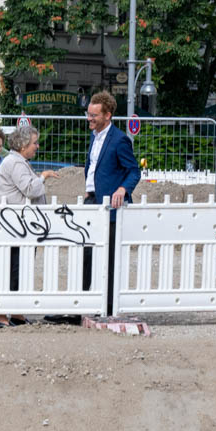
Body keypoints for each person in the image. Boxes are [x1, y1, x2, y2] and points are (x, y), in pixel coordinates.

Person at [0, 123, 50, 328]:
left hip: (18, 227)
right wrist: (44, 177)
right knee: (12, 268)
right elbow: (30, 189)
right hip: (12, 227)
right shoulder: (15, 163)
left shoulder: (18, 161)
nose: (37, 146)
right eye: (34, 143)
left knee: (19, 268)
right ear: (23, 145)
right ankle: (1, 316)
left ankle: (17, 314)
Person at [81, 90, 140, 313]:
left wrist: (123, 189)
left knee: (109, 256)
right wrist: (89, 189)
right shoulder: (94, 137)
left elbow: (133, 171)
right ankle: (85, 299)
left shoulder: (119, 140)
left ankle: (108, 304)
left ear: (107, 116)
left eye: (94, 115)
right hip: (93, 201)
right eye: (88, 114)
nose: (89, 118)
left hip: (110, 207)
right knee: (87, 252)